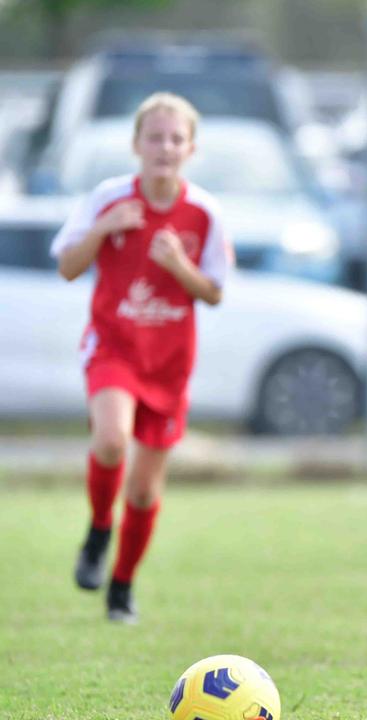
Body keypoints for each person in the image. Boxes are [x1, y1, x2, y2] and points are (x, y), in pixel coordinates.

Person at [56, 92, 231, 624]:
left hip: (168, 363)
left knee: (145, 487)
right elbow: (67, 265)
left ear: (191, 149)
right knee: (110, 441)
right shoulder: (108, 198)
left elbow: (215, 291)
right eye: (154, 137)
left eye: (175, 139)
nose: (164, 147)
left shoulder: (203, 213)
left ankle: (122, 586)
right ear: (136, 145)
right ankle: (97, 530)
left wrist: (179, 265)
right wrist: (103, 230)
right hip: (114, 348)